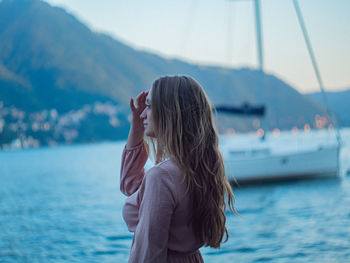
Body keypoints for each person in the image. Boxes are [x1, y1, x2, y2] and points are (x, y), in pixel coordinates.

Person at [120, 76, 236, 263]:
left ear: (168, 113)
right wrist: (136, 128)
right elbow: (132, 187)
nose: (142, 114)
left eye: (149, 106)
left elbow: (149, 255)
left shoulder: (162, 177)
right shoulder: (196, 167)